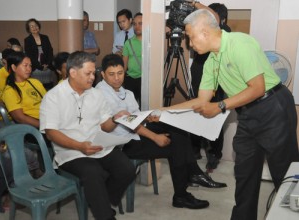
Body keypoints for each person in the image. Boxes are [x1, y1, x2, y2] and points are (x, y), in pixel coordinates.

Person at [165, 8, 299, 220]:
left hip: (273, 107)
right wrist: (161, 111)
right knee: (244, 175)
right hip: (247, 114)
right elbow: (201, 101)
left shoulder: (240, 44)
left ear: (205, 33)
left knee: (285, 176)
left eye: (190, 37)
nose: (189, 44)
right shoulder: (210, 61)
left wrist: (220, 106)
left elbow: (257, 88)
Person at [96, 54, 227, 210]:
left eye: (120, 73)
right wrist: (155, 137)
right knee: (175, 147)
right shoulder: (100, 94)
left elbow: (136, 118)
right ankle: (183, 191)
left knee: (176, 127)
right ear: (103, 74)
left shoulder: (126, 93)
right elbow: (129, 123)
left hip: (134, 133)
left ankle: (192, 177)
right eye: (111, 74)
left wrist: (151, 118)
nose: (117, 78)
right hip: (122, 144)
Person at [39, 51, 135, 220]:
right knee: (93, 172)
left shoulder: (96, 94)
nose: (93, 77)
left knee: (126, 169)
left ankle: (101, 202)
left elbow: (105, 126)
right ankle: (104, 214)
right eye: (88, 73)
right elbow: (51, 133)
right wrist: (79, 146)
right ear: (73, 73)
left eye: (94, 73)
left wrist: (115, 119)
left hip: (97, 145)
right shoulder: (53, 97)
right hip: (71, 152)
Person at [190, 3, 231, 171]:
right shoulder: (200, 31)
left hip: (217, 85)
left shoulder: (225, 32)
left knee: (215, 119)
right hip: (199, 79)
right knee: (195, 112)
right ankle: (195, 149)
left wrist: (194, 3)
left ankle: (214, 154)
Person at [24, 18, 55, 90]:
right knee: (38, 87)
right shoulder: (27, 40)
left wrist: (47, 64)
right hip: (36, 68)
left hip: (47, 66)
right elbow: (29, 56)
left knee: (49, 88)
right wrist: (40, 67)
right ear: (28, 29)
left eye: (36, 25)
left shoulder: (45, 37)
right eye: (31, 26)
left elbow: (50, 51)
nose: (34, 27)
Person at [122, 12, 142, 105]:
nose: (137, 26)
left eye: (140, 23)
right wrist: (120, 79)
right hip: (130, 80)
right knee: (130, 107)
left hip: (145, 80)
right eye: (134, 24)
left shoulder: (151, 42)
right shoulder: (128, 43)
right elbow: (124, 65)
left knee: (145, 107)